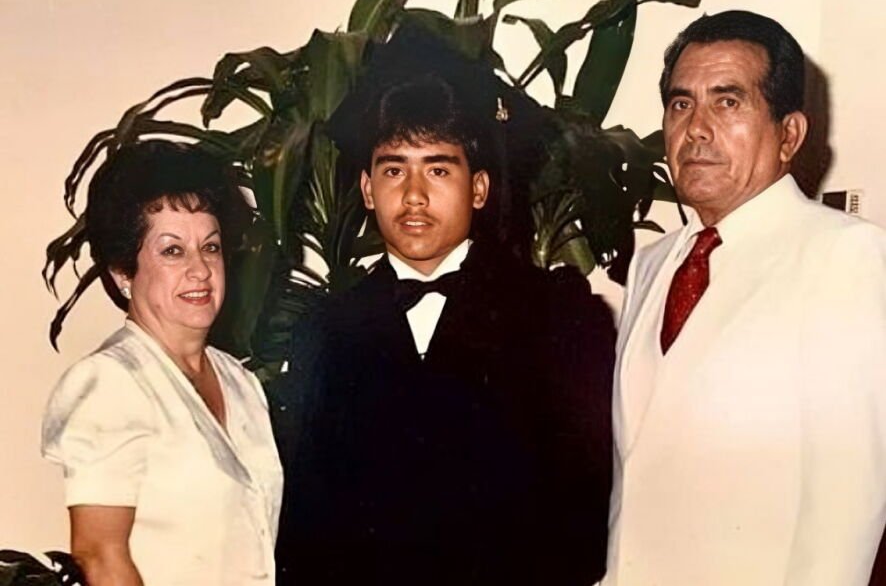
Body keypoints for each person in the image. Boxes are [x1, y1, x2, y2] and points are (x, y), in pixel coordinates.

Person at [274, 65, 616, 584]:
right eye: (393, 171)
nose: (413, 196)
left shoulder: (558, 316)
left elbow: (584, 517)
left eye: (438, 170)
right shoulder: (323, 331)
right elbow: (303, 527)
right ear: (367, 189)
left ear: (478, 188)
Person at [604, 10, 886, 585]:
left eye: (728, 102)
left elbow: (848, 505)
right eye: (681, 104)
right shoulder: (653, 264)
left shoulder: (848, 258)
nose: (697, 128)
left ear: (790, 135)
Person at [42, 141, 283, 586]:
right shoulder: (110, 383)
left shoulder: (240, 381)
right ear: (123, 272)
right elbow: (99, 555)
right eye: (172, 251)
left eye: (210, 248)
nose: (200, 270)